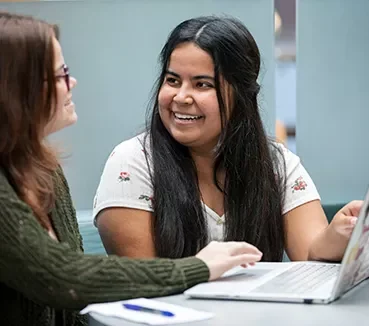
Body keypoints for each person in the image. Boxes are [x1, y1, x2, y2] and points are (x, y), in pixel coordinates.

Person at [0, 12, 263, 326]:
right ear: (16, 89)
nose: (72, 82)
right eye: (59, 74)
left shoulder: (44, 168)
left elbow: (72, 304)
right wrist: (199, 267)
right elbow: (65, 278)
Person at [93, 15, 362, 263]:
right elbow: (147, 281)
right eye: (173, 80)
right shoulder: (132, 162)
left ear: (241, 96)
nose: (181, 97)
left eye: (202, 85)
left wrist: (339, 236)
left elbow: (310, 257)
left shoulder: (277, 163)